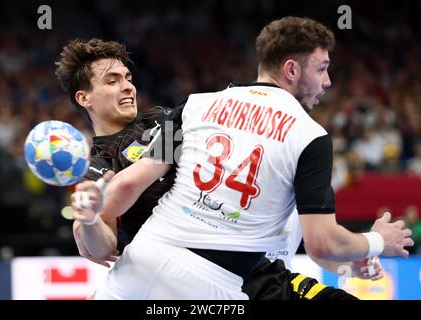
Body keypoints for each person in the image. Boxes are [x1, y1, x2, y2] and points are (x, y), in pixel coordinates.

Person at [71, 17, 413, 300]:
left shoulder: (187, 110)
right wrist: (87, 221)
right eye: (321, 69)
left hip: (210, 256)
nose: (327, 82)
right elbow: (102, 240)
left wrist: (348, 256)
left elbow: (128, 185)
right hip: (220, 270)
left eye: (128, 78)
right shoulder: (306, 134)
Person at [54, 38, 175, 267]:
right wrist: (88, 220)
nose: (128, 86)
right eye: (112, 81)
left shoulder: (161, 118)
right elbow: (104, 249)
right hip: (161, 265)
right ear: (84, 98)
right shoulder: (97, 168)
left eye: (128, 78)